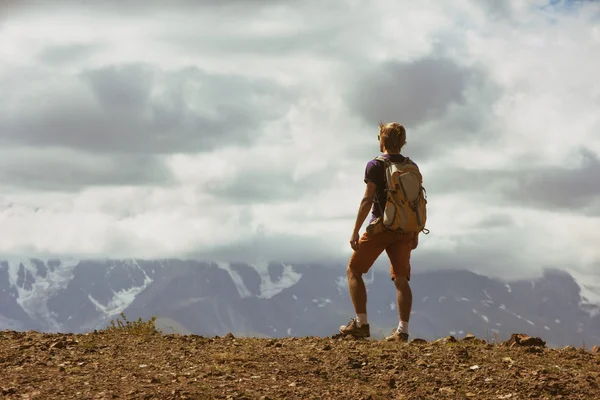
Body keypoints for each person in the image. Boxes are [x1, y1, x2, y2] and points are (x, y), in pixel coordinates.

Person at [339, 122, 421, 342]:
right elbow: (416, 203)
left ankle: (361, 324)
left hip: (381, 228)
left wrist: (355, 230)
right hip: (405, 229)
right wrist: (415, 232)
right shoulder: (411, 166)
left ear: (382, 140)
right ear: (402, 142)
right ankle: (402, 331)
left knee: (354, 270)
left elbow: (367, 199)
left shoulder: (375, 165)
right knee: (401, 279)